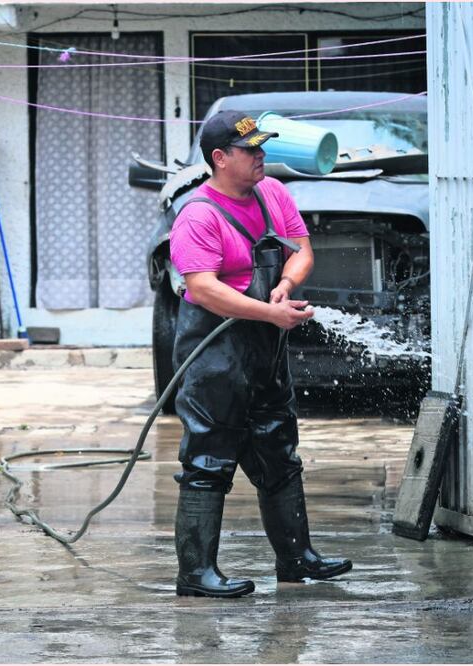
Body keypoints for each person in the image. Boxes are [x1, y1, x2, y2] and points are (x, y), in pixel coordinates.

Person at [167, 110, 350, 598]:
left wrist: (286, 285)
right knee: (208, 460)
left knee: (279, 452)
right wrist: (269, 314)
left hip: (266, 352)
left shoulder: (272, 195)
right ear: (220, 159)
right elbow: (203, 289)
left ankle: (296, 559)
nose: (261, 156)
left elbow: (302, 250)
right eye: (250, 150)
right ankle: (196, 574)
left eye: (262, 147)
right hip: (214, 356)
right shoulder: (198, 215)